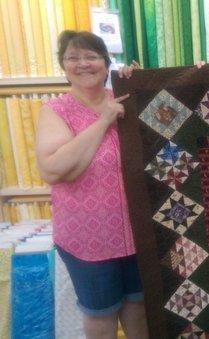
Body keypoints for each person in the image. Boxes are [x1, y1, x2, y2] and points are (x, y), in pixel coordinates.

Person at [35, 30, 147, 339]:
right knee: (101, 317)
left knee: (140, 311)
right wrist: (103, 121)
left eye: (91, 56)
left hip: (137, 235)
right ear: (64, 66)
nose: (83, 64)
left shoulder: (125, 100)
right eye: (73, 57)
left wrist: (139, 84)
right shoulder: (56, 111)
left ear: (106, 63)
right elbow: (54, 169)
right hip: (89, 240)